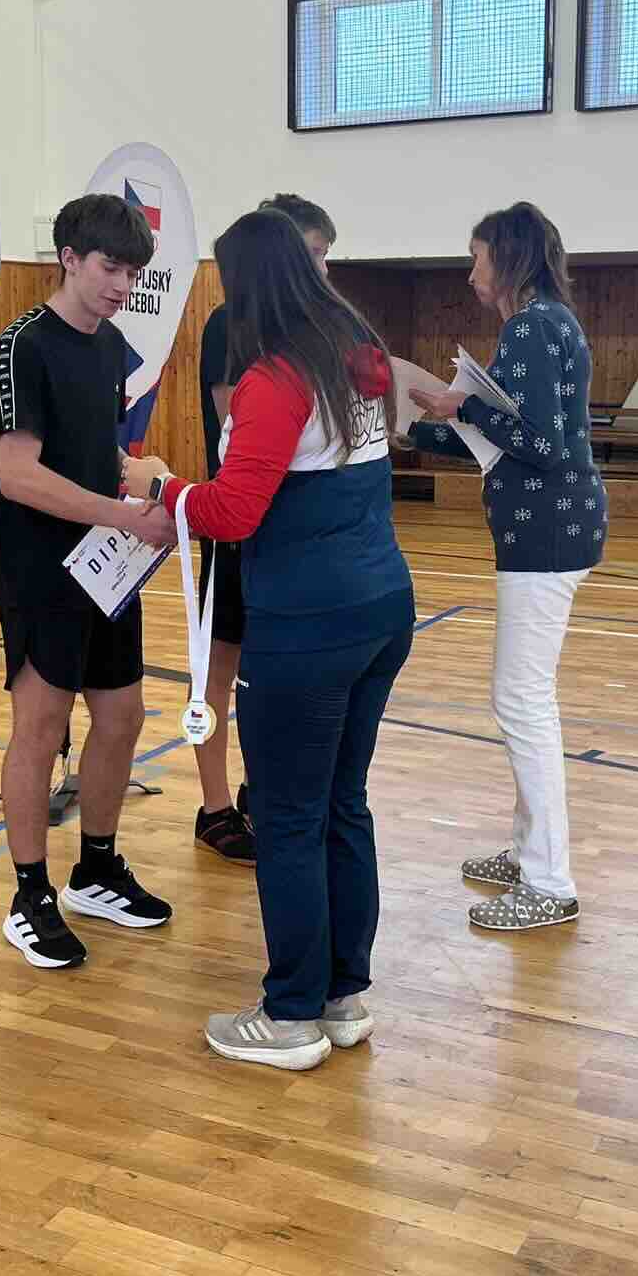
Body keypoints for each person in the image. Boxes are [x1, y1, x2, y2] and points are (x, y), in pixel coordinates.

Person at [124, 209, 413, 1071]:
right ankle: (341, 996)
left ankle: (290, 1015)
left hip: (309, 628)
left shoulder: (277, 379)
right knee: (342, 804)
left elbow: (233, 510)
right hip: (380, 607)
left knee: (288, 817)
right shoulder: (356, 357)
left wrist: (163, 486)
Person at [0, 193, 176, 971]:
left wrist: (145, 478)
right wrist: (124, 515)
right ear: (68, 257)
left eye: (133, 273)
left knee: (123, 716)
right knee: (40, 727)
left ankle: (96, 869)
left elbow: (100, 452)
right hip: (38, 569)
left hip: (106, 566)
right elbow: (18, 475)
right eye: (110, 268)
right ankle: (29, 895)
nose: (121, 285)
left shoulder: (112, 344)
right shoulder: (20, 346)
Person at [406, 201, 605, 933]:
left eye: (477, 256)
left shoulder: (531, 327)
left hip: (545, 532)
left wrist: (462, 404)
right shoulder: (548, 322)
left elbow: (541, 443)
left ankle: (549, 882)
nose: (470, 273)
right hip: (550, 526)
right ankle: (528, 854)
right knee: (525, 697)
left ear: (509, 258)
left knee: (521, 701)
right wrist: (423, 423)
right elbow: (509, 437)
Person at [189, 192, 339, 866]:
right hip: (234, 529)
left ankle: (259, 790)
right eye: (313, 255)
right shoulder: (233, 324)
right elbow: (241, 434)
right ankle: (214, 805)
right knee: (218, 672)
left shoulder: (303, 333)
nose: (321, 271)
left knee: (268, 672)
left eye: (326, 257)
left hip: (283, 540)